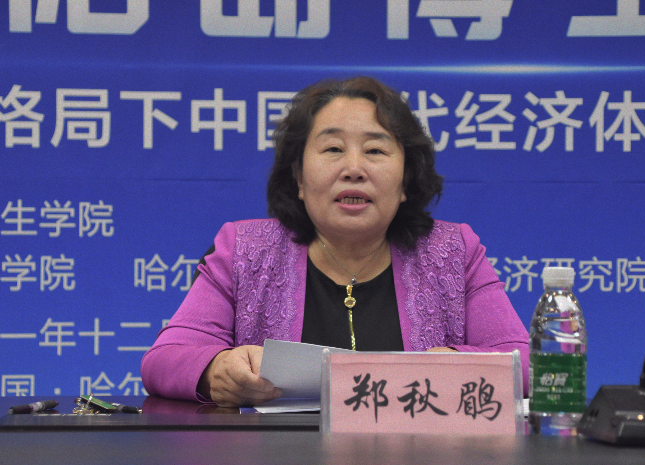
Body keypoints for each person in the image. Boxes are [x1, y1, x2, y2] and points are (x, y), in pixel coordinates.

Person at [141, 76, 529, 407]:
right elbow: (165, 360)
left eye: (375, 150)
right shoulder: (244, 250)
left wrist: (453, 365)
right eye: (333, 149)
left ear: (406, 180)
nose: (353, 169)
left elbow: (526, 364)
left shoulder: (453, 252)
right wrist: (216, 370)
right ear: (298, 177)